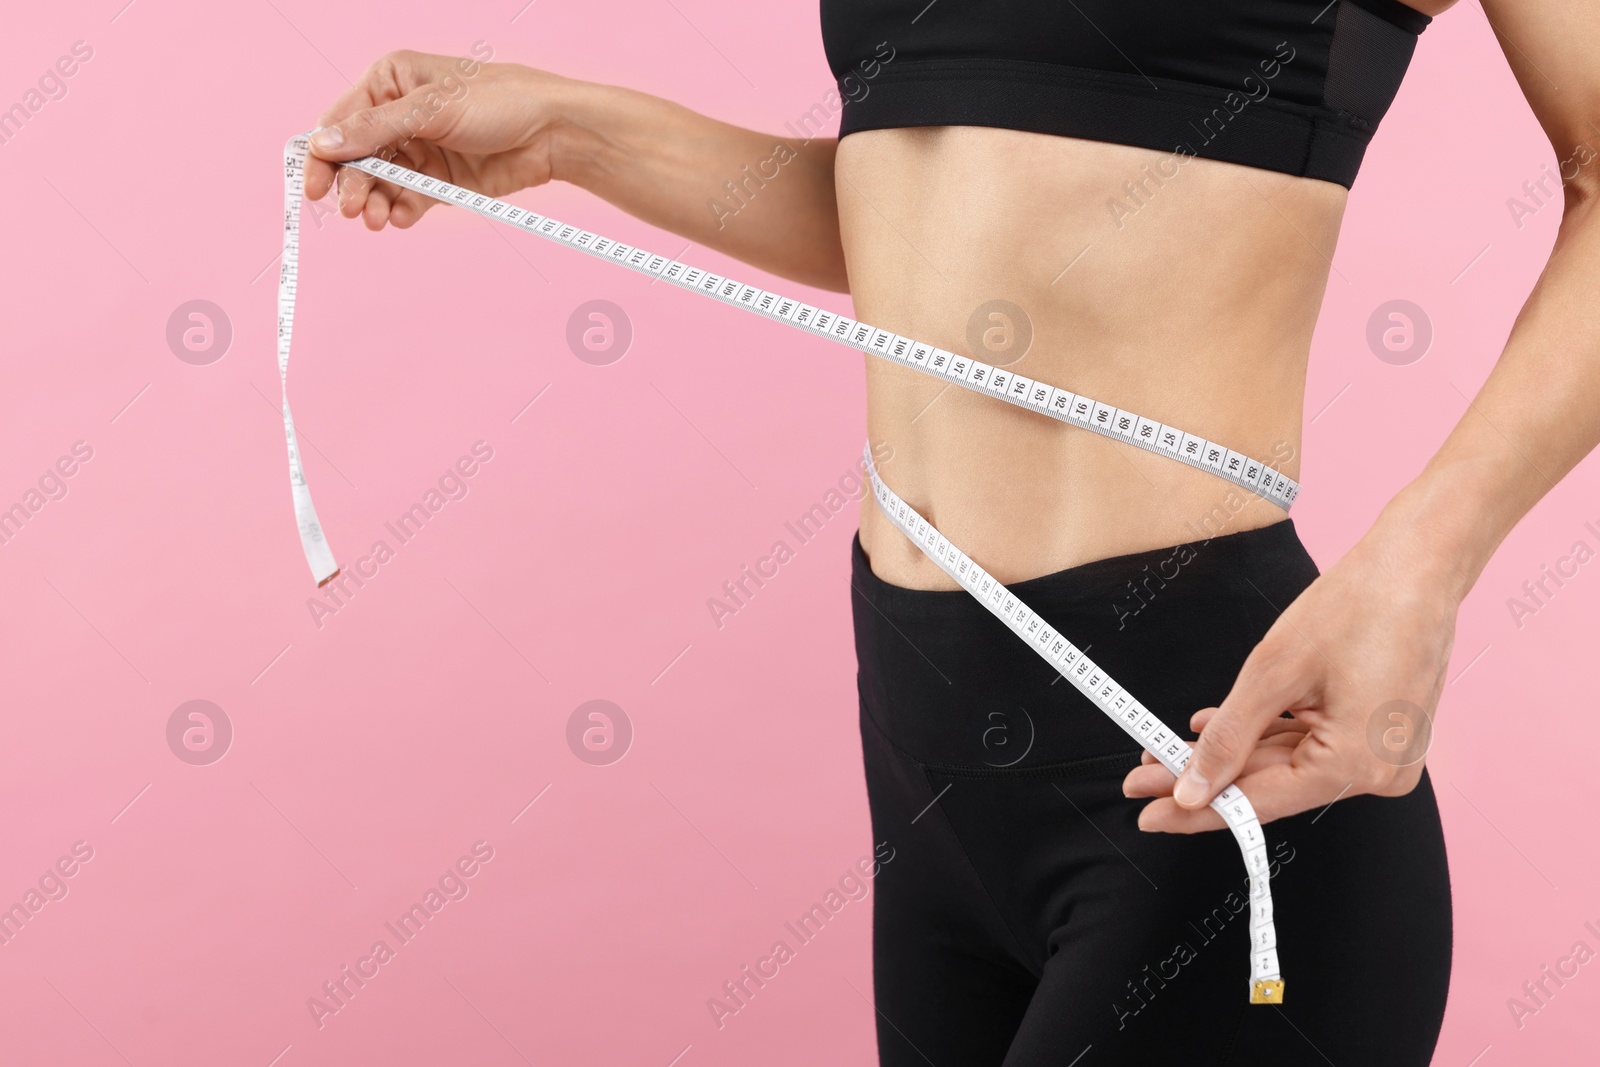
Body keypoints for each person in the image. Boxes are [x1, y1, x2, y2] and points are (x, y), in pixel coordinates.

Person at [303, 1, 1597, 1061]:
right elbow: (935, 214)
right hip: (924, 758)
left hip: (1207, 761)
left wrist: (1423, 568)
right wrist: (569, 127)